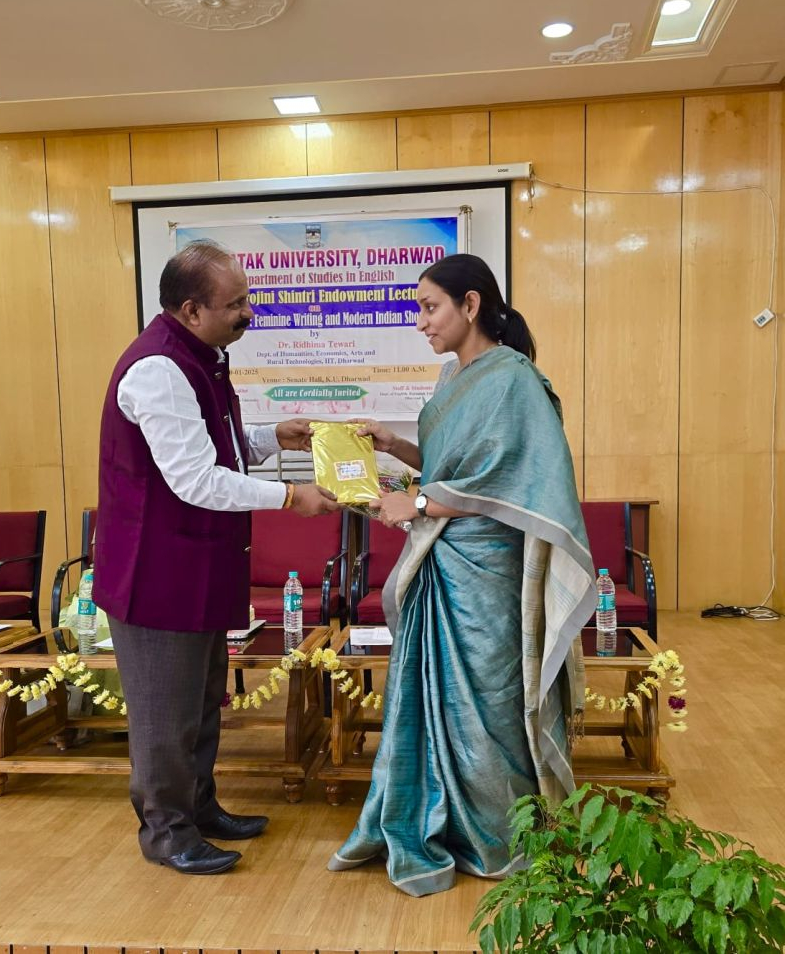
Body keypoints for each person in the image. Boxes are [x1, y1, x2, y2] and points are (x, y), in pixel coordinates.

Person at [328, 253, 595, 896]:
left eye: (430, 307)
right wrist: (395, 447)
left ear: (470, 304)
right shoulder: (454, 377)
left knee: (490, 705)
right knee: (437, 698)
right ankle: (441, 819)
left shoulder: (514, 379)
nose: (421, 322)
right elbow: (454, 464)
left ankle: (502, 833)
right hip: (443, 558)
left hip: (488, 569)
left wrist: (418, 504)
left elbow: (509, 479)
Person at [93, 240, 338, 876]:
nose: (247, 312)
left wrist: (269, 437)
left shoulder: (203, 357)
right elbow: (195, 479)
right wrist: (291, 496)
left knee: (201, 706)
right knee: (164, 716)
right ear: (191, 309)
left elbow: (216, 445)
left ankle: (199, 809)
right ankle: (166, 832)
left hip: (195, 570)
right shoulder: (158, 369)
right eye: (235, 304)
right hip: (156, 578)